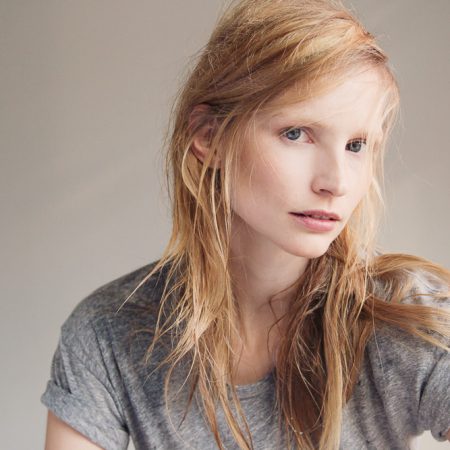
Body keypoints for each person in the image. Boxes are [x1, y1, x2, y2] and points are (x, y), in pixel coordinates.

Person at [41, 0, 450, 449]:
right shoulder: (107, 334)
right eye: (296, 133)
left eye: (356, 145)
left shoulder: (409, 316)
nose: (336, 182)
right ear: (210, 137)